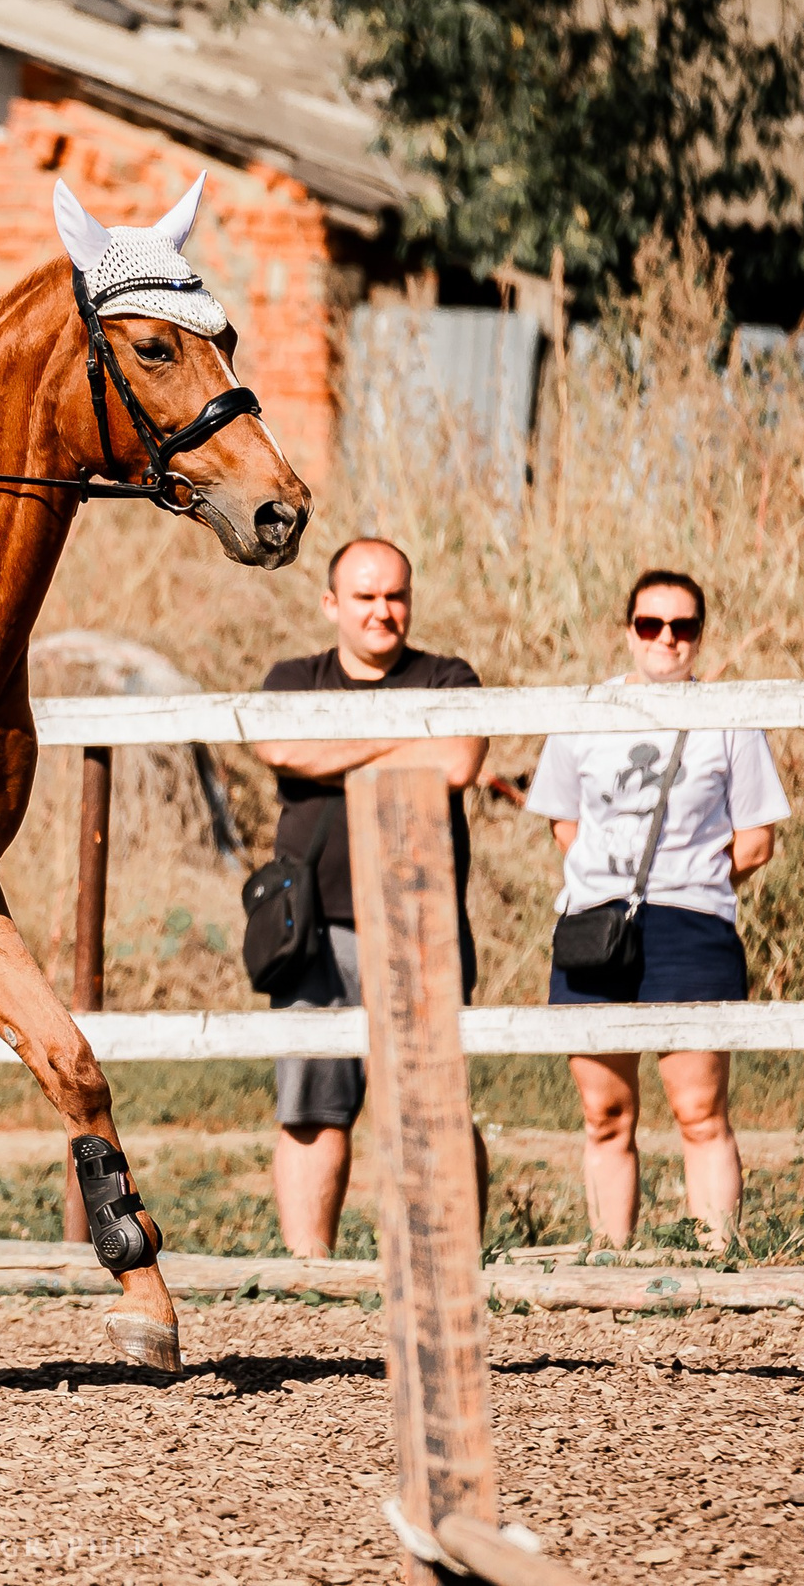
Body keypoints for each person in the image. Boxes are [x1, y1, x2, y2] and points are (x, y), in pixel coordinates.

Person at [526, 569, 789, 1253]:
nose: (666, 639)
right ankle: (611, 1254)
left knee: (699, 1110)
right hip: (595, 920)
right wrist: (613, 880)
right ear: (628, 630)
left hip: (692, 923)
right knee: (605, 1112)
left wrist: (690, 874)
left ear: (700, 635)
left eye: (683, 627)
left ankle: (716, 1256)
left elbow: (756, 839)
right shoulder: (585, 710)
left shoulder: (729, 717)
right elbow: (563, 823)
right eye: (651, 624)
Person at [251, 538, 487, 1257]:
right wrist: (399, 742)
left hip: (422, 920)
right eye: (365, 596)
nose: (382, 610)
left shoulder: (448, 676)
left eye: (395, 595)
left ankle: (448, 1263)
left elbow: (458, 760)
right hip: (311, 927)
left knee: (430, 1104)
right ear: (331, 604)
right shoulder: (294, 678)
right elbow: (278, 745)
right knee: (311, 1107)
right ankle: (308, 1271)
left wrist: (339, 747)